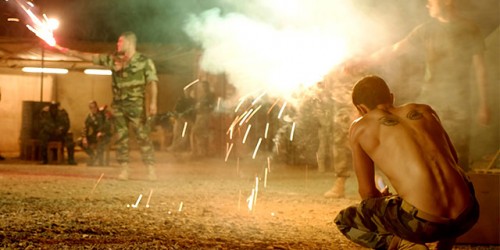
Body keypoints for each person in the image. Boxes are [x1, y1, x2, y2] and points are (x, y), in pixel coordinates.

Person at [334, 75, 479, 250]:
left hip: (424, 225)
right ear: (392, 97)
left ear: (361, 108)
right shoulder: (426, 111)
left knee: (346, 220)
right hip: (467, 215)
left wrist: (383, 201)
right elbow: (453, 160)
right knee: (460, 177)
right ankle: (445, 244)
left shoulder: (360, 126)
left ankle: (406, 244)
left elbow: (367, 193)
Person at [346, 0, 490, 171]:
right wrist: (364, 61)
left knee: (459, 152)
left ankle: (462, 191)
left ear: (446, 2)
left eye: (431, 2)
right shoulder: (426, 29)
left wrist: (484, 104)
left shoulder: (468, 29)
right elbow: (396, 49)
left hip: (460, 101)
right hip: (432, 99)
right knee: (429, 148)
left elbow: (480, 68)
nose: (427, 5)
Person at [56, 31, 158, 180]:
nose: (117, 45)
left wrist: (153, 103)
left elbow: (152, 82)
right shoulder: (113, 60)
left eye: (120, 42)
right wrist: (68, 51)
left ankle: (150, 169)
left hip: (136, 106)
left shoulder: (144, 61)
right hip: (118, 105)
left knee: (142, 136)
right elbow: (91, 57)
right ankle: (124, 169)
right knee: (121, 138)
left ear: (129, 43)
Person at [76, 100, 112, 166]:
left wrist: (102, 132)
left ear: (97, 106)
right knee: (79, 141)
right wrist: (84, 138)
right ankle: (93, 156)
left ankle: (100, 161)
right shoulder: (90, 116)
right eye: (91, 108)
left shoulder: (103, 113)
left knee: (101, 141)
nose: (93, 109)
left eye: (94, 107)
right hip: (95, 135)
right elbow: (85, 128)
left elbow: (108, 124)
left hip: (105, 135)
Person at [191, 80, 216, 159]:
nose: (203, 88)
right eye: (202, 86)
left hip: (205, 115)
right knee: (201, 133)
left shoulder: (210, 95)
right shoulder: (204, 95)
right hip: (202, 115)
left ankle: (201, 152)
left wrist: (203, 108)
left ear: (207, 86)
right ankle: (202, 152)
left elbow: (212, 106)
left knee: (197, 132)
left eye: (204, 86)